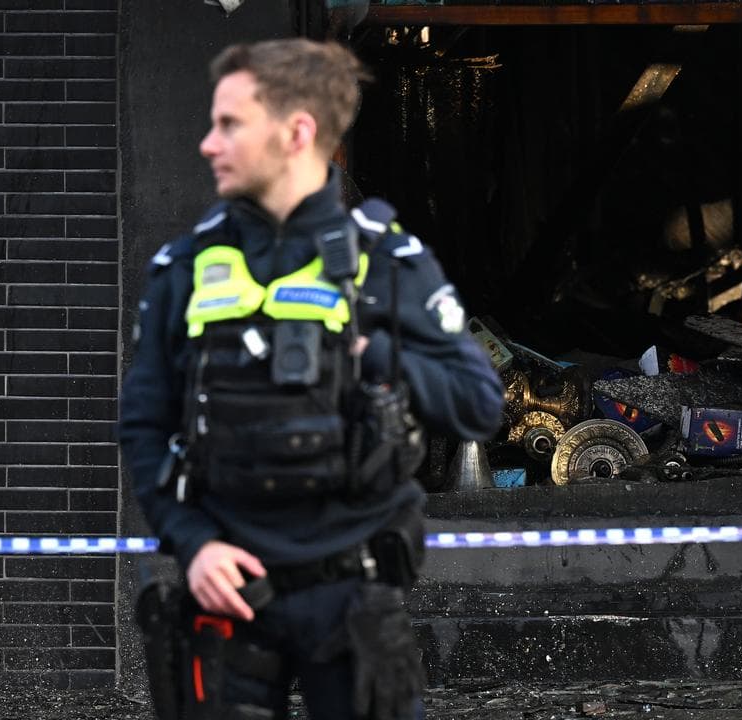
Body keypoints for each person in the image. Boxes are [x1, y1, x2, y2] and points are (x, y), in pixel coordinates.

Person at [119, 38, 505, 720]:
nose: (208, 143)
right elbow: (144, 426)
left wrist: (373, 356)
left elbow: (478, 403)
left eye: (229, 123)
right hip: (224, 598)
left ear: (297, 132)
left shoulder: (385, 261)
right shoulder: (185, 267)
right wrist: (191, 540)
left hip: (353, 599)